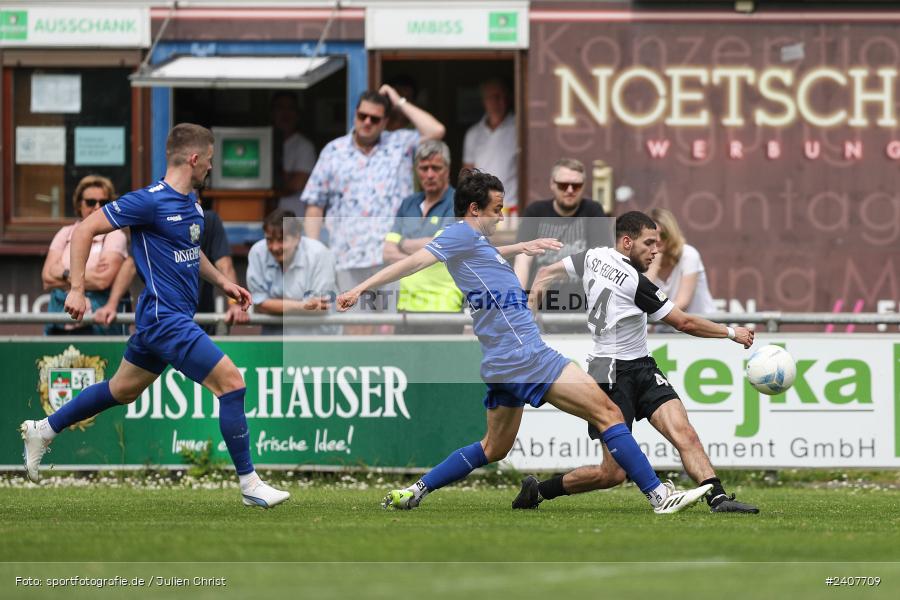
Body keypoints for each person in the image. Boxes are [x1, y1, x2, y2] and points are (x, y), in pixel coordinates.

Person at [337, 170, 713, 515]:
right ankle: (659, 496)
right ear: (473, 209)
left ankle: (416, 490)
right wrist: (361, 288)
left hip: (501, 360)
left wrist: (522, 248)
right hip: (526, 354)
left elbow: (485, 254)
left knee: (493, 448)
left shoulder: (471, 242)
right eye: (496, 209)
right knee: (610, 414)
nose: (501, 217)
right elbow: (415, 261)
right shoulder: (457, 235)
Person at [20, 123, 289, 508]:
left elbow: (192, 254)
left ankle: (43, 429)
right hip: (166, 319)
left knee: (122, 390)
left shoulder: (193, 204)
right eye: (210, 160)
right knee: (232, 384)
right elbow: (84, 231)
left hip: (160, 318)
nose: (211, 167)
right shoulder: (148, 201)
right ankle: (250, 484)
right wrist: (77, 288)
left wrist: (222, 283)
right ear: (194, 158)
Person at [513, 211, 758, 513]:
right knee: (612, 474)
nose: (656, 251)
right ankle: (538, 490)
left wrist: (529, 313)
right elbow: (683, 323)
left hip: (642, 366)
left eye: (657, 243)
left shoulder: (594, 256)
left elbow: (546, 272)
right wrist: (732, 332)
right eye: (649, 243)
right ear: (627, 242)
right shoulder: (634, 282)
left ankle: (718, 498)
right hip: (610, 373)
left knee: (684, 432)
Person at [302, 85, 445, 332]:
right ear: (355, 114)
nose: (367, 122)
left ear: (385, 121)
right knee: (353, 330)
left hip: (391, 259)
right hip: (348, 258)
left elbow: (436, 130)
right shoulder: (333, 151)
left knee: (391, 331)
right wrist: (312, 253)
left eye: (375, 118)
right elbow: (315, 205)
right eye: (362, 116)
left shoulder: (399, 143)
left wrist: (398, 100)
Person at [513, 158, 607, 328]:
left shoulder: (593, 211)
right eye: (563, 185)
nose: (570, 190)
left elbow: (602, 262)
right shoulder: (536, 212)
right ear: (552, 184)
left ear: (584, 186)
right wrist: (519, 304)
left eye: (576, 185)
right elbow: (522, 261)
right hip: (540, 309)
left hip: (582, 310)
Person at [383, 140, 461, 334]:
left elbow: (438, 248)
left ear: (447, 169)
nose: (430, 174)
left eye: (436, 168)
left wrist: (402, 242)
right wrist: (423, 254)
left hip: (445, 307)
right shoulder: (408, 203)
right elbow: (387, 252)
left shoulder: (459, 202)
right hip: (406, 307)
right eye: (424, 168)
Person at [42, 175, 129, 335]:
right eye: (90, 202)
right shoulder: (65, 233)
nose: (97, 207)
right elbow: (47, 278)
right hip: (59, 323)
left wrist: (62, 272)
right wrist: (87, 277)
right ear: (78, 204)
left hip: (96, 325)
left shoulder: (115, 235)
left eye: (103, 203)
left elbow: (102, 281)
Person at [247, 208, 337, 335]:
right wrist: (303, 305)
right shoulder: (257, 252)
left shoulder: (319, 254)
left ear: (297, 238)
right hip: (275, 337)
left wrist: (275, 304)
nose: (274, 247)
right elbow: (260, 304)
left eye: (281, 240)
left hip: (316, 336)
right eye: (269, 240)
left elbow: (320, 307)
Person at [646, 207, 717, 317]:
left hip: (701, 326)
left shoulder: (688, 254)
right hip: (665, 328)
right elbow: (642, 299)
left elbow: (682, 303)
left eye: (664, 235)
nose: (658, 240)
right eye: (653, 236)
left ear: (672, 234)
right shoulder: (640, 260)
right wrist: (654, 265)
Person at [462, 79, 518, 210]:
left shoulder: (520, 128)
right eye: (495, 97)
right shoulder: (473, 133)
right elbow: (467, 175)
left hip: (512, 207)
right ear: (485, 100)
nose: (501, 101)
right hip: (482, 209)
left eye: (505, 96)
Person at [272, 91, 317, 212]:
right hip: (267, 220)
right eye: (280, 108)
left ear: (297, 114)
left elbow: (297, 184)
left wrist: (272, 179)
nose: (285, 113)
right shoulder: (267, 143)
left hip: (294, 218)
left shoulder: (304, 146)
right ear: (273, 113)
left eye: (290, 108)